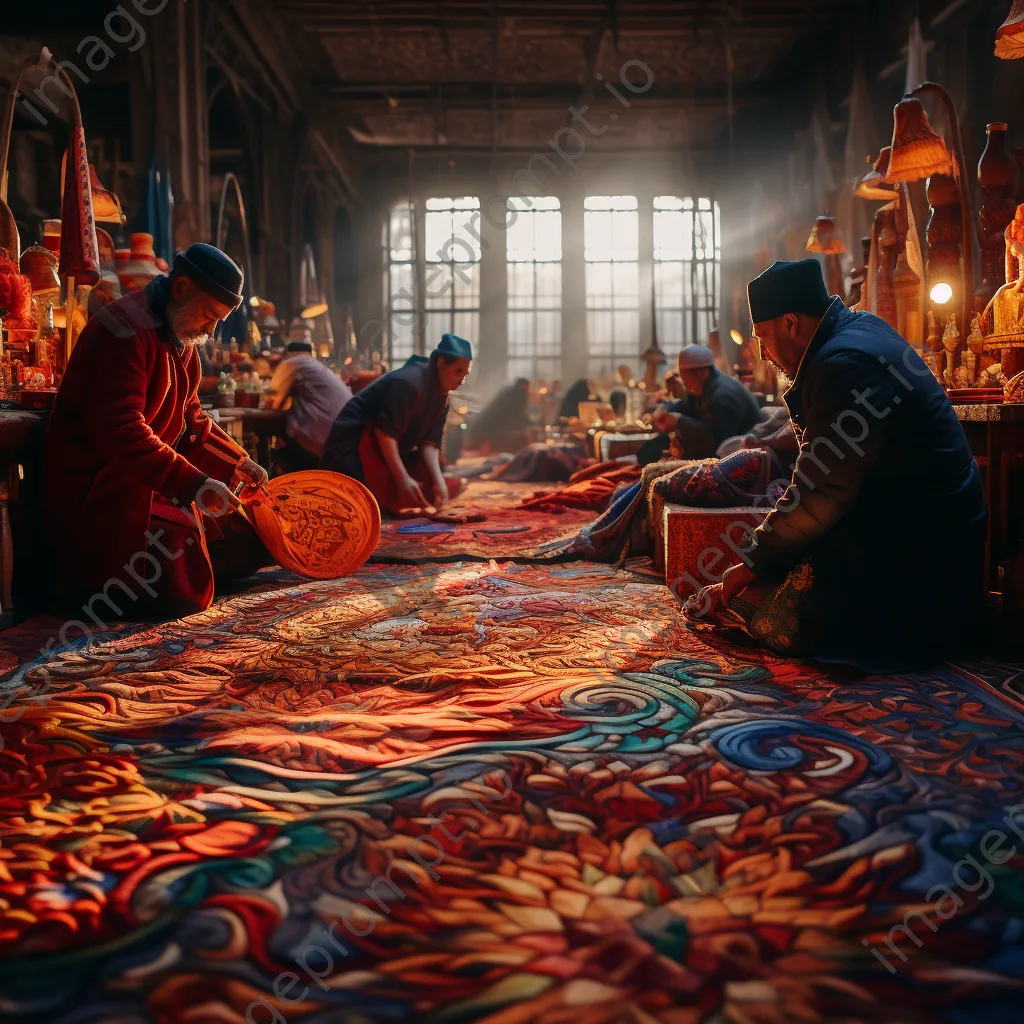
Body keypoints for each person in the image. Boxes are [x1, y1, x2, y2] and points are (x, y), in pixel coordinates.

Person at [689, 258, 986, 669]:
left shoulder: (845, 365)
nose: (762, 353)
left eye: (762, 337)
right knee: (776, 556)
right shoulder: (860, 330)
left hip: (924, 553)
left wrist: (748, 567)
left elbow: (820, 494)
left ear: (790, 324)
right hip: (922, 522)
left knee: (767, 599)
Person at [43, 243, 271, 620]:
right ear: (182, 288)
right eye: (209, 316)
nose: (211, 330)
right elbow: (122, 430)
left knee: (250, 530)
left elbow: (190, 416)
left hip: (146, 483)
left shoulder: (181, 334)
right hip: (103, 492)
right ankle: (94, 587)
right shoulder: (125, 330)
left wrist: (238, 462)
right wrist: (194, 484)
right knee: (185, 574)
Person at [321, 333, 472, 512]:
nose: (462, 381)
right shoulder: (409, 383)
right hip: (353, 446)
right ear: (440, 364)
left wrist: (440, 484)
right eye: (458, 372)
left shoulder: (442, 395)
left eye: (465, 373)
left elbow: (429, 444)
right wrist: (403, 479)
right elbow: (384, 432)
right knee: (365, 503)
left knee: (433, 478)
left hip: (388, 449)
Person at [640, 345, 761, 465]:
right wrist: (664, 410)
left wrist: (679, 421)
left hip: (737, 462)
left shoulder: (722, 396)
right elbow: (687, 405)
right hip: (723, 453)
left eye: (684, 375)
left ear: (701, 371)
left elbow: (714, 443)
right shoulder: (707, 386)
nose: (683, 380)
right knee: (649, 451)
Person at [265, 340, 352, 473]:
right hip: (345, 439)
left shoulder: (292, 363)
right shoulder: (318, 367)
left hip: (321, 440)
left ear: (287, 353)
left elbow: (271, 402)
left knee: (273, 450)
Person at [466, 377, 531, 452]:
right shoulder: (515, 397)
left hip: (488, 431)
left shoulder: (508, 394)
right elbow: (514, 416)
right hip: (493, 432)